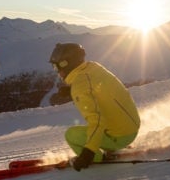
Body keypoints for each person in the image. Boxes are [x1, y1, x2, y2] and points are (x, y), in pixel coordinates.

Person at [49, 43, 141, 171]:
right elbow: (96, 88)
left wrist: (88, 152)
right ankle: (113, 143)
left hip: (120, 136)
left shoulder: (79, 86)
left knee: (71, 135)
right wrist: (72, 89)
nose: (57, 71)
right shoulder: (93, 67)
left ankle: (97, 157)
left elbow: (96, 120)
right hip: (131, 125)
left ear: (67, 64)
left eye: (56, 66)